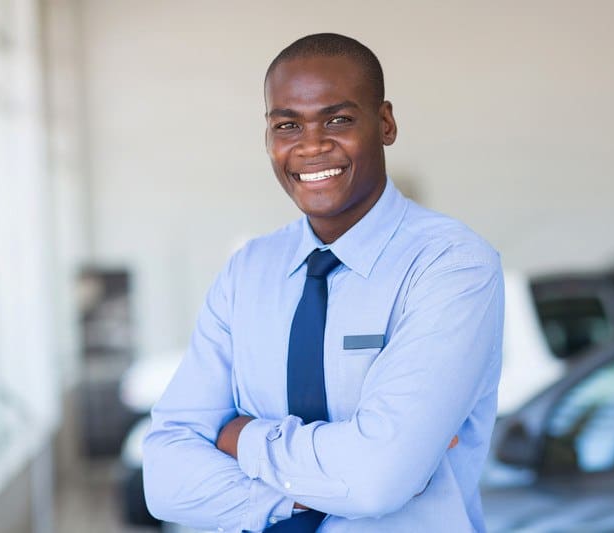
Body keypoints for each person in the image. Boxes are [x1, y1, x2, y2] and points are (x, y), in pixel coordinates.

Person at [143, 33, 504, 532]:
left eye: (337, 120)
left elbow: (377, 478)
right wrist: (309, 495)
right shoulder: (247, 271)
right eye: (288, 125)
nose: (311, 145)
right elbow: (164, 479)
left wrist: (239, 436)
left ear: (385, 123)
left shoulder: (450, 266)